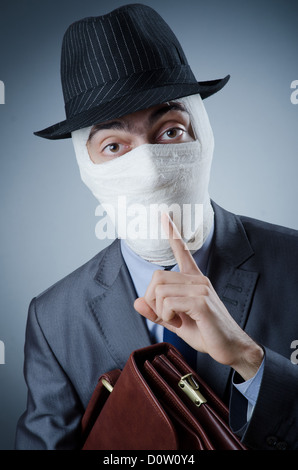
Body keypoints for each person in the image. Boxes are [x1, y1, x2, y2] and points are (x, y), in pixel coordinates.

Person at [15, 4, 298, 450]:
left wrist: (250, 359)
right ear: (86, 166)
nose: (147, 170)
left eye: (169, 132)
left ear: (202, 134)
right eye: (113, 145)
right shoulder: (54, 320)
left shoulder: (294, 263)